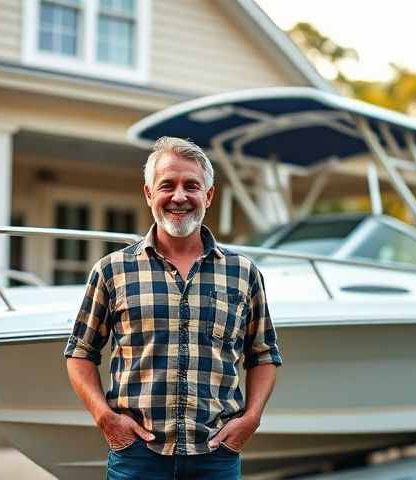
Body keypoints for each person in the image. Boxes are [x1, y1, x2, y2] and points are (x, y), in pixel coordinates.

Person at [64, 136, 283, 479]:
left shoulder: (243, 273)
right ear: (149, 194)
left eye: (191, 185)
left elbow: (264, 354)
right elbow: (80, 352)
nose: (179, 196)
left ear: (208, 196)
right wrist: (104, 417)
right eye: (167, 185)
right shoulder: (112, 270)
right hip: (137, 457)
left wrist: (251, 419)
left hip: (215, 455)